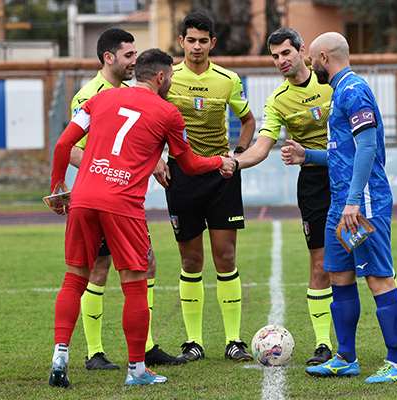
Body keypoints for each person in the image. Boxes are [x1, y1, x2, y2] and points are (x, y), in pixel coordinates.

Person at [47, 48, 236, 387]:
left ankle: (60, 355)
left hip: (83, 198)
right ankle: (136, 369)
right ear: (161, 77)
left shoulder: (100, 99)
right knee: (135, 283)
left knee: (74, 278)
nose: (172, 82)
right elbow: (190, 164)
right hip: (122, 204)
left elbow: (63, 144)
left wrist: (58, 185)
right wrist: (219, 162)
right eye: (171, 77)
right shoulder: (168, 112)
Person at [282, 32, 397, 383]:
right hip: (341, 204)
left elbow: (367, 148)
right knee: (337, 274)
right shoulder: (340, 91)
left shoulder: (353, 91)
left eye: (311, 60)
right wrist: (307, 155)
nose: (308, 65)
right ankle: (345, 357)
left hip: (362, 203)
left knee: (378, 278)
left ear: (323, 57)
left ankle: (396, 362)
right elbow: (345, 152)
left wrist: (354, 200)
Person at [59, 28, 185, 376]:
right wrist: (115, 171)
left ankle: (143, 347)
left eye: (136, 55)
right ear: (108, 58)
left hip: (117, 194)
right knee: (98, 270)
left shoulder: (128, 93)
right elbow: (72, 148)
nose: (134, 60)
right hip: (109, 194)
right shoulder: (91, 94)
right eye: (128, 55)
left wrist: (149, 159)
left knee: (147, 264)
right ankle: (96, 351)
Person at [153, 12, 256, 362]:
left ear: (213, 43)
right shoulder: (166, 79)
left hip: (221, 177)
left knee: (225, 258)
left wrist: (237, 155)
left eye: (203, 40)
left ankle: (234, 341)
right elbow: (149, 121)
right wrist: (156, 159)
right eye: (191, 40)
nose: (197, 46)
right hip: (181, 177)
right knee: (191, 259)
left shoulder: (228, 80)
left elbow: (248, 120)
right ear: (181, 42)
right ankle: (193, 342)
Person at [232, 27, 335, 366]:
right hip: (314, 183)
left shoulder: (331, 82)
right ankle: (324, 344)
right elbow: (263, 145)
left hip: (349, 176)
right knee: (319, 263)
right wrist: (233, 162)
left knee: (372, 259)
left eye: (286, 53)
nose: (281, 61)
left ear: (303, 51)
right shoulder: (277, 100)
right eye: (275, 56)